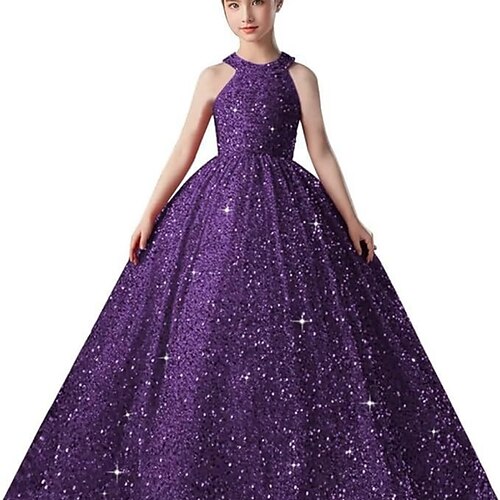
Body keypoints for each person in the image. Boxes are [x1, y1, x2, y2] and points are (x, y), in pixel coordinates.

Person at [4, 0, 498, 498]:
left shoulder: (301, 77)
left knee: (298, 335)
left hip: (289, 216)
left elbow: (321, 150)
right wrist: (150, 211)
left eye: (257, 0)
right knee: (205, 329)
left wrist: (352, 218)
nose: (246, 14)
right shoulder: (213, 77)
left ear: (279, 3)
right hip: (216, 218)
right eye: (233, 4)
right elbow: (184, 148)